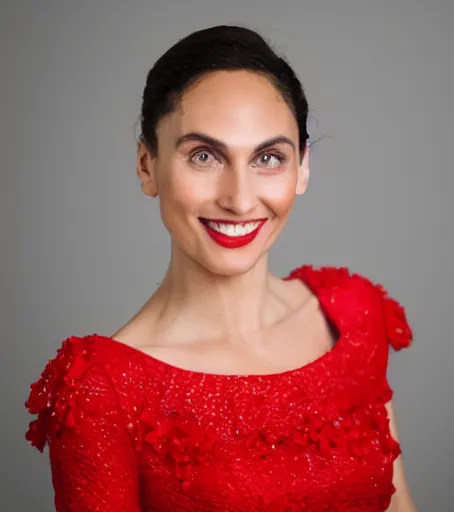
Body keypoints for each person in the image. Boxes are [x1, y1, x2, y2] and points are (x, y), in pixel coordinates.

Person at [24, 25, 417, 512]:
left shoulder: (354, 314)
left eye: (269, 158)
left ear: (304, 168)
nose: (239, 198)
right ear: (148, 165)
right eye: (204, 156)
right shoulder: (101, 392)